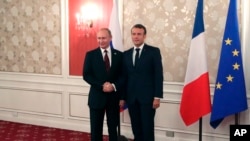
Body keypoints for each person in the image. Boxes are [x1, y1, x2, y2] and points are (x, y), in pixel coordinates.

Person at [121, 24, 163, 141]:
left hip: (148, 98)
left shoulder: (153, 52)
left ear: (144, 36)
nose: (136, 37)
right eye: (133, 34)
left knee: (147, 128)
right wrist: (122, 97)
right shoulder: (126, 54)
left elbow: (158, 75)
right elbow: (124, 77)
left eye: (139, 34)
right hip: (131, 98)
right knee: (136, 128)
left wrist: (157, 96)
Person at [83, 28, 123, 141]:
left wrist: (113, 86)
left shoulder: (119, 55)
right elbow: (86, 75)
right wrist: (102, 86)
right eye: (99, 38)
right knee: (96, 130)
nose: (101, 41)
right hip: (96, 98)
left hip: (113, 98)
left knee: (113, 129)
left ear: (110, 38)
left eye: (104, 38)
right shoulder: (90, 55)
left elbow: (123, 76)